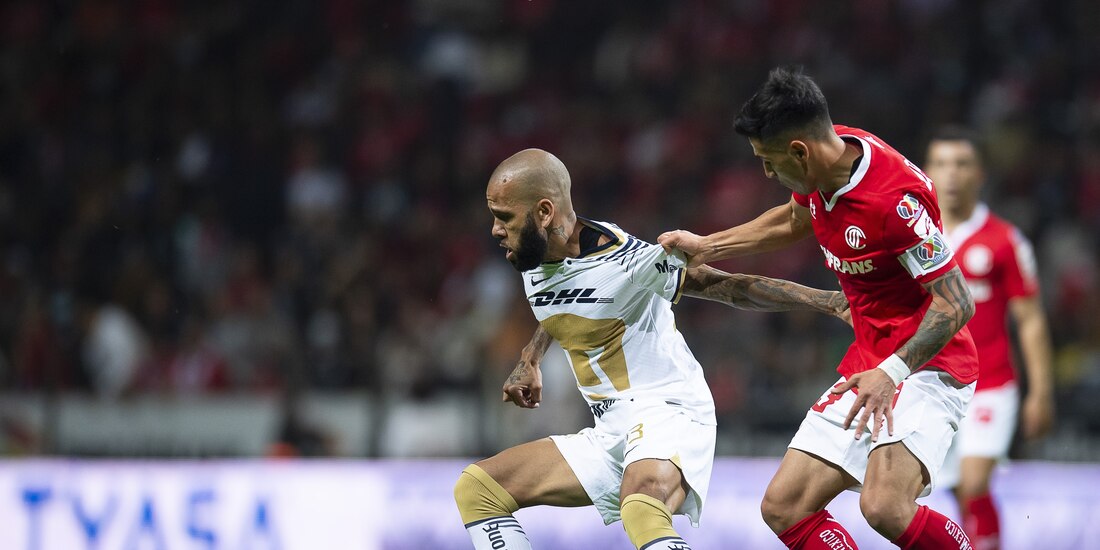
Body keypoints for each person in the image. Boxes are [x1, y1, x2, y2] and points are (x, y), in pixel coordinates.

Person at [455, 148, 851, 550]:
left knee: (641, 507)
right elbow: (565, 300)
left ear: (543, 212)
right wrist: (531, 357)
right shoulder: (536, 254)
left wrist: (829, 301)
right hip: (611, 431)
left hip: (669, 411)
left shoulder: (625, 261)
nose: (495, 229)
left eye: (504, 216)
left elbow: (729, 287)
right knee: (477, 489)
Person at [659, 67, 979, 549]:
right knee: (785, 507)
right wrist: (708, 245)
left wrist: (891, 373)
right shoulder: (832, 155)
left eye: (768, 162)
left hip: (929, 362)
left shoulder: (895, 205)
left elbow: (957, 303)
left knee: (884, 506)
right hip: (872, 361)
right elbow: (795, 216)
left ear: (798, 152)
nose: (766, 173)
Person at [924, 126, 1055, 549]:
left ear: (979, 173)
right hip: (930, 385)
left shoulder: (1004, 240)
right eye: (942, 164)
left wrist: (1041, 392)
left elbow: (1030, 320)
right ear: (926, 171)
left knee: (975, 481)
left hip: (991, 383)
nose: (952, 175)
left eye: (962, 164)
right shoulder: (915, 236)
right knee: (957, 491)